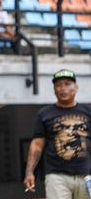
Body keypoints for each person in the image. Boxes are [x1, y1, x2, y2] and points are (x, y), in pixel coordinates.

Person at [24, 70, 91, 199]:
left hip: (86, 175)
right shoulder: (44, 114)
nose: (63, 88)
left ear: (76, 87)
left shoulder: (88, 111)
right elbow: (37, 145)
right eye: (59, 85)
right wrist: (29, 172)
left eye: (67, 84)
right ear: (54, 90)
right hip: (57, 176)